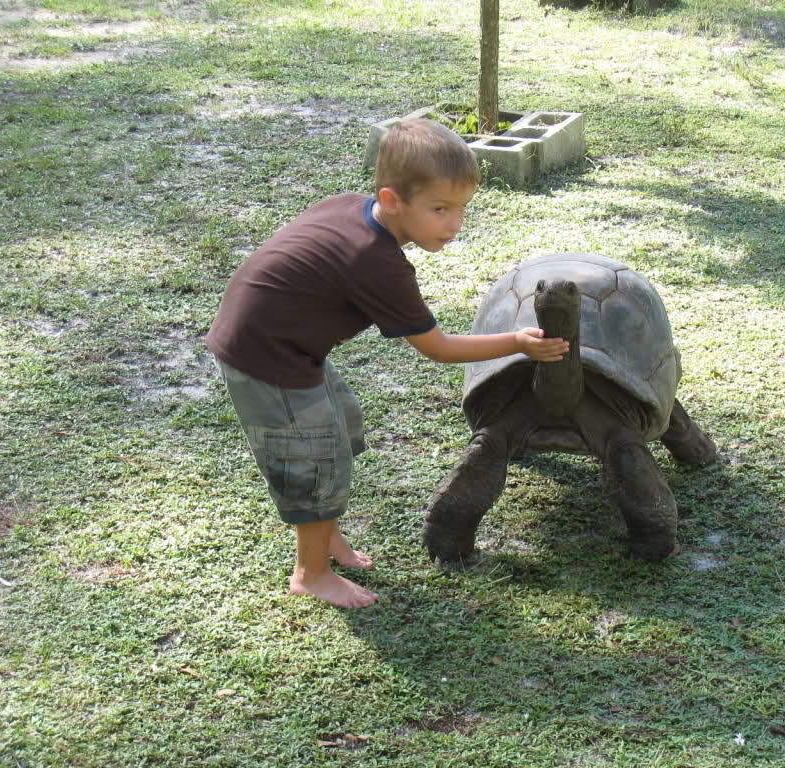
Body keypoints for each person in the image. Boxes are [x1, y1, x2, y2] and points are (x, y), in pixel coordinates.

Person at [206, 119, 568, 609]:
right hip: (268, 358)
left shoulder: (352, 211)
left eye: (461, 209)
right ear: (393, 199)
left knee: (343, 427)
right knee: (316, 462)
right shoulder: (376, 263)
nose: (454, 224)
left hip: (285, 346)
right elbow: (437, 347)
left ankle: (325, 536)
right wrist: (518, 343)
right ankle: (310, 572)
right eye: (440, 209)